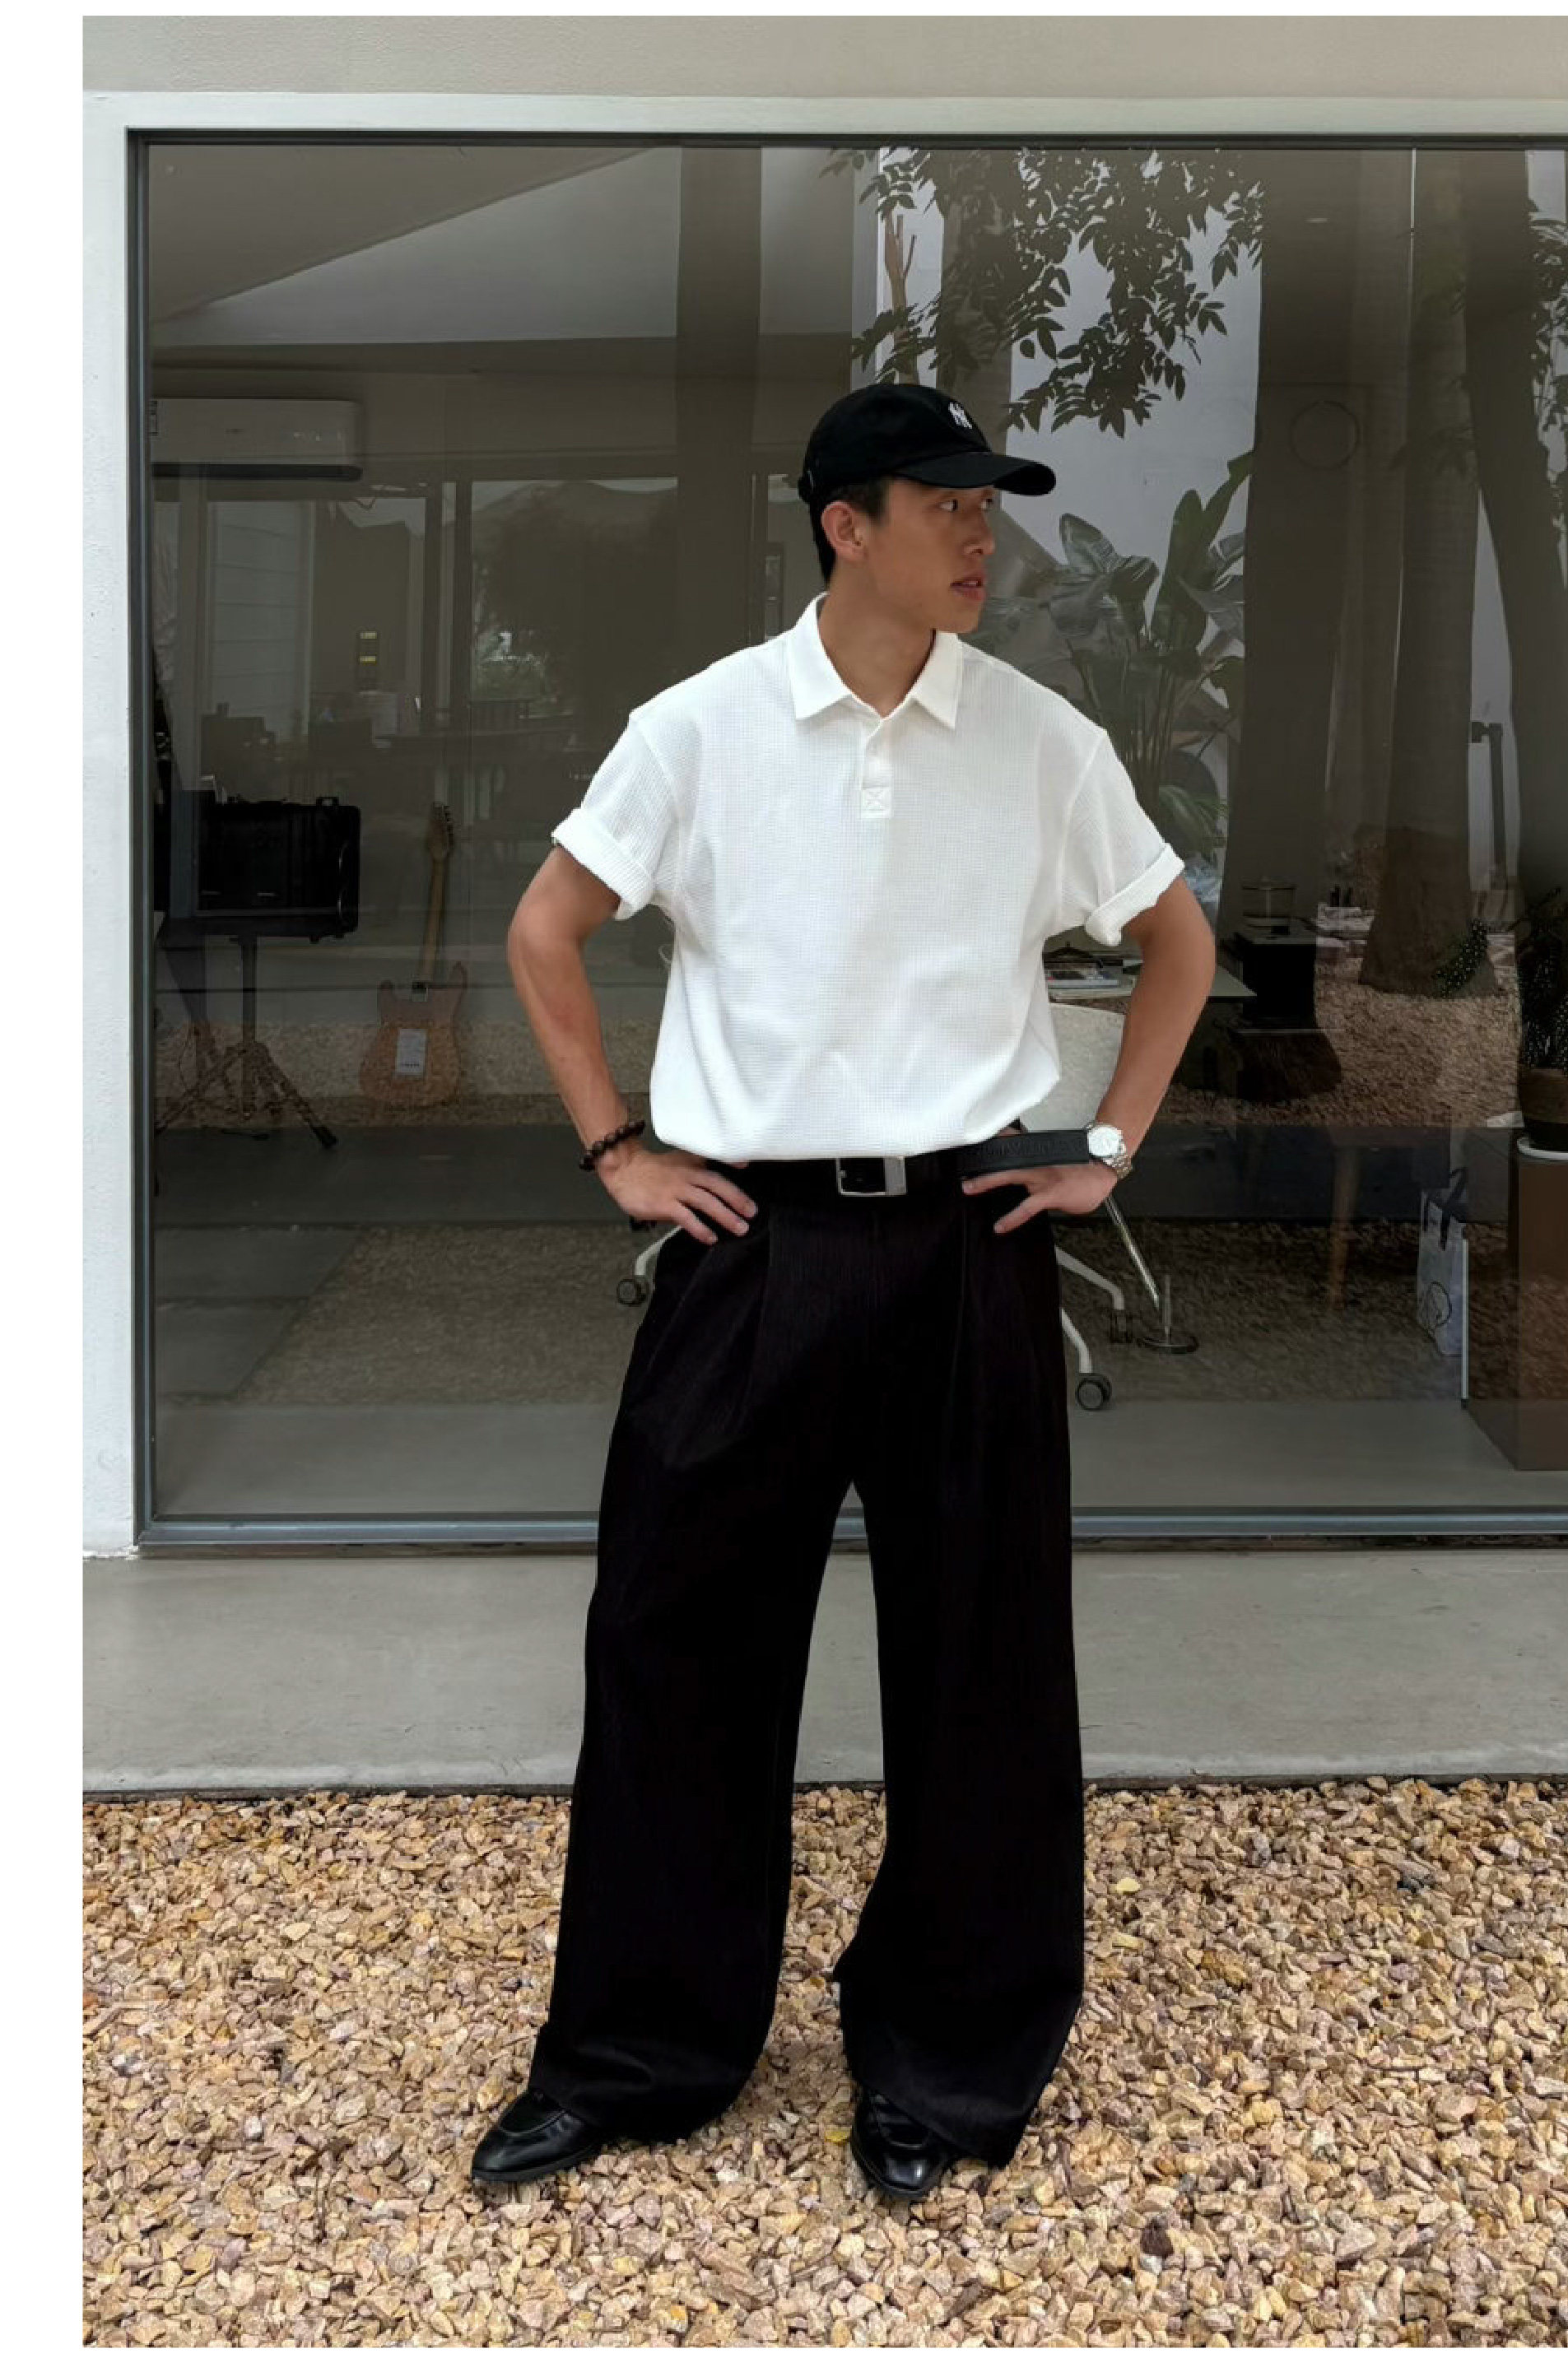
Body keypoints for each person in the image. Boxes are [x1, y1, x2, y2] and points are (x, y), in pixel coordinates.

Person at [472, 382, 1217, 2201]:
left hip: (969, 1243)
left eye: (987, 503)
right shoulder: (700, 730)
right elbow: (546, 928)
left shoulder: (1038, 740)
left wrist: (1106, 1148)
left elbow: (1174, 938)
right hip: (752, 1245)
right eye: (942, 502)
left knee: (981, 1664)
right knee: (675, 1650)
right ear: (844, 524)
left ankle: (947, 2066)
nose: (980, 532)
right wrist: (617, 1147)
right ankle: (638, 2053)